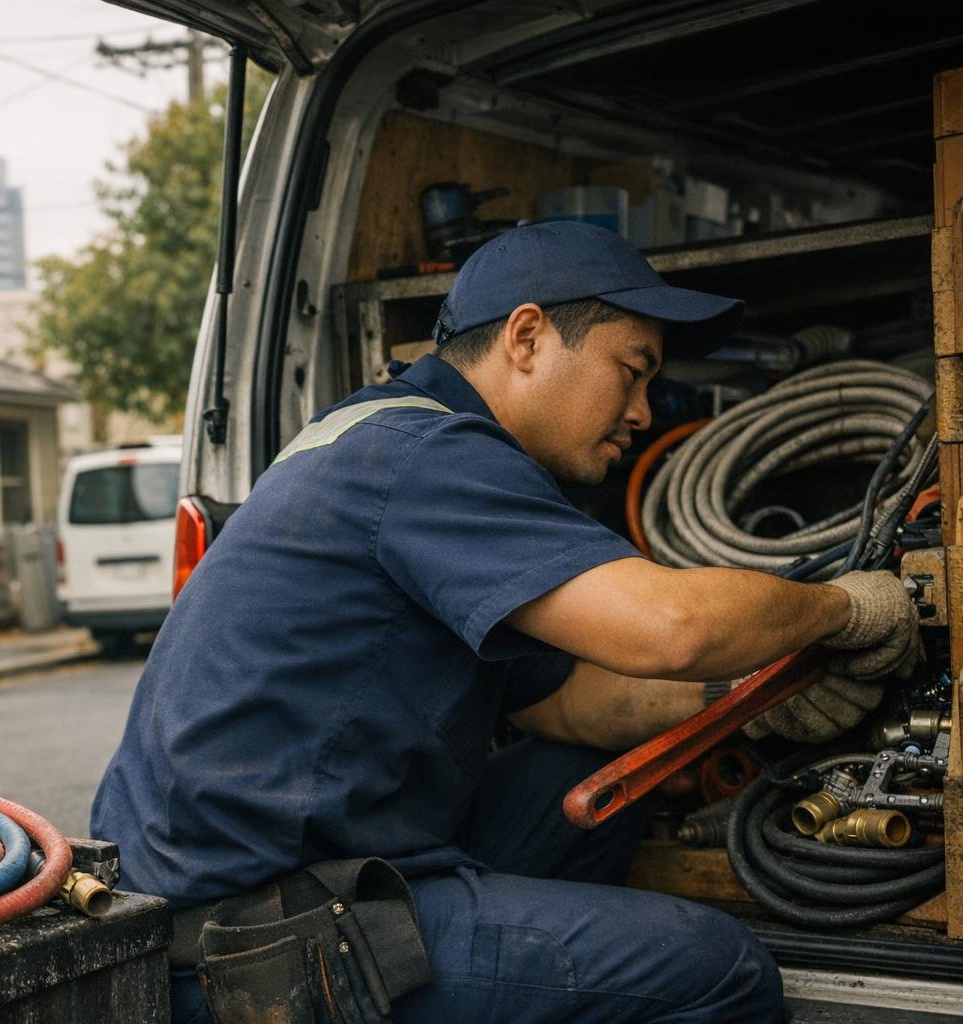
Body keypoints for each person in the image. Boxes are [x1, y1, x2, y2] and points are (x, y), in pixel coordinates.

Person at [90, 222, 920, 1023]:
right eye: (630, 371)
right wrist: (844, 607)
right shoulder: (430, 456)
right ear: (526, 339)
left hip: (287, 876)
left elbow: (568, 704)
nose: (642, 410)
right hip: (257, 941)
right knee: (720, 969)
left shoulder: (391, 436)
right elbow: (669, 626)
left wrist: (748, 693)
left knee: (577, 763)